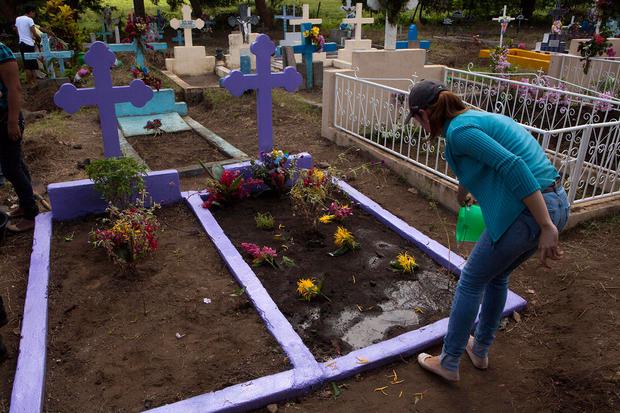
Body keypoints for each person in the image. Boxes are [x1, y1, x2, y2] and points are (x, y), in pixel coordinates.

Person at [405, 80, 569, 381]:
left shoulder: (460, 132)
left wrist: (545, 225)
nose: (418, 125)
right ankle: (479, 349)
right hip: (554, 202)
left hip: (532, 213)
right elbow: (482, 163)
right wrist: (464, 189)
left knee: (471, 280)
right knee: (497, 276)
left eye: (416, 119)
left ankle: (449, 361)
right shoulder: (472, 120)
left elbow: (514, 165)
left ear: (425, 114)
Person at [0, 41, 39, 232]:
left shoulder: (1, 52)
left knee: (10, 169)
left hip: (6, 119)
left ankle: (31, 214)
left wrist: (13, 122)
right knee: (15, 163)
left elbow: (14, 89)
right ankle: (26, 203)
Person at [15, 4, 40, 86]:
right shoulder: (29, 20)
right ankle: (35, 83)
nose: (34, 14)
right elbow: (34, 32)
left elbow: (17, 31)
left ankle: (30, 84)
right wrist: (38, 38)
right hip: (29, 44)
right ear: (31, 12)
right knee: (33, 65)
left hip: (21, 43)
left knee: (27, 65)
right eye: (34, 13)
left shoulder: (18, 19)